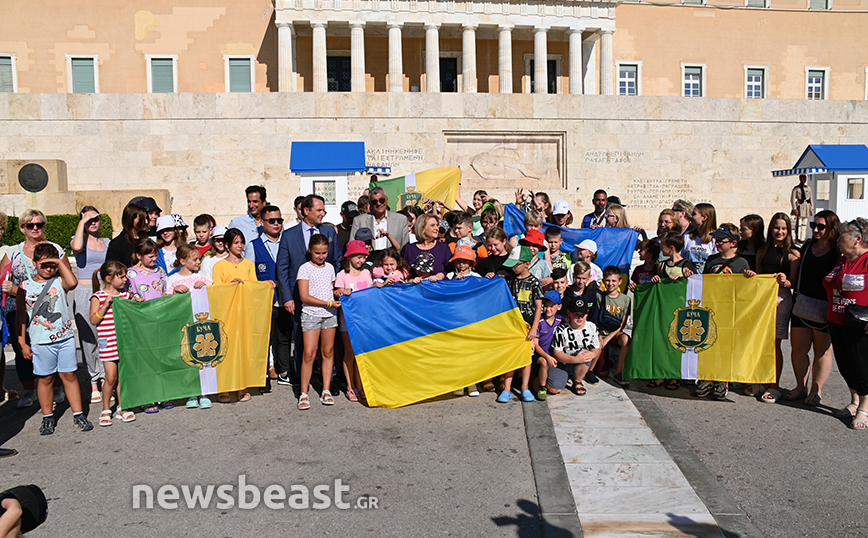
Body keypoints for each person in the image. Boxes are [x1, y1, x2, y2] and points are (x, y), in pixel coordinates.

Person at [16, 243, 93, 435]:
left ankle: (78, 415)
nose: (48, 269)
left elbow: (73, 283)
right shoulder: (25, 287)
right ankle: (47, 417)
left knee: (69, 375)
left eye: (52, 265)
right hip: (40, 341)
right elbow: (20, 316)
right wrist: (22, 342)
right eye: (44, 265)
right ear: (34, 262)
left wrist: (59, 262)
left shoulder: (59, 281)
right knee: (45, 378)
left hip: (64, 338)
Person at [0, 209, 72, 408]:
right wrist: (10, 289)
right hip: (19, 308)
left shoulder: (55, 249)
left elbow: (67, 278)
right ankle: (29, 390)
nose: (35, 228)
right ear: (22, 228)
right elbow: (1, 277)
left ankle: (56, 387)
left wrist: (16, 289)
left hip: (49, 308)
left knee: (53, 346)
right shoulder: (13, 252)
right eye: (30, 225)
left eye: (39, 224)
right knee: (22, 348)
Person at [276, 195, 343, 391]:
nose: (323, 214)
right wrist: (287, 297)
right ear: (306, 211)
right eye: (319, 210)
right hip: (300, 297)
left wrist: (335, 288)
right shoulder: (289, 235)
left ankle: (328, 381)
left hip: (327, 298)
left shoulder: (329, 231)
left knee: (327, 345)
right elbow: (282, 268)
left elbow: (337, 261)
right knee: (302, 342)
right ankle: (301, 382)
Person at [746, 213, 801, 402]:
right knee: (761, 342)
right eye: (777, 227)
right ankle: (761, 379)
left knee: (775, 344)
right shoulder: (762, 251)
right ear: (771, 229)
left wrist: (786, 282)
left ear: (788, 230)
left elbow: (794, 282)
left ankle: (774, 385)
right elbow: (759, 276)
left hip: (781, 300)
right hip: (763, 299)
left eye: (784, 228)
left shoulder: (794, 253)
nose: (780, 231)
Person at [788, 210, 841, 406]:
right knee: (798, 350)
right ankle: (800, 387)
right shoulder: (807, 247)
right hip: (802, 303)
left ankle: (816, 390)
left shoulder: (838, 251)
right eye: (813, 225)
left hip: (825, 306)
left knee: (822, 351)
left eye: (821, 226)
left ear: (832, 228)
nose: (816, 230)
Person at [695, 224, 749, 401]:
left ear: (733, 243)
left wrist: (751, 278)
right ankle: (706, 378)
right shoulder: (711, 260)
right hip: (711, 308)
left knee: (725, 347)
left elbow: (745, 290)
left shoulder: (741, 263)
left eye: (721, 241)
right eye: (715, 240)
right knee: (708, 344)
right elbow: (704, 282)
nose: (717, 243)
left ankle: (722, 380)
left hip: (729, 311)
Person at [824, 218, 868, 429]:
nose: (838, 241)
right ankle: (855, 400)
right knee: (845, 364)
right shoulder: (841, 260)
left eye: (842, 237)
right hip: (836, 319)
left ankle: (865, 408)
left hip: (859, 324)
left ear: (857, 239)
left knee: (860, 365)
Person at [213, 228, 260, 404]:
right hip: (227, 313)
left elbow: (255, 286)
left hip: (245, 312)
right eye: (236, 243)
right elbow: (216, 290)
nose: (240, 246)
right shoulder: (219, 266)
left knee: (243, 349)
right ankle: (224, 387)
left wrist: (265, 285)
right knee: (227, 349)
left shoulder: (248, 264)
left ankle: (242, 386)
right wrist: (230, 286)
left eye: (242, 242)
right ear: (227, 245)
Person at [242, 205, 286, 393]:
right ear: (262, 222)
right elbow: (249, 273)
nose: (276, 224)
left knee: (283, 336)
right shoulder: (253, 245)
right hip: (262, 300)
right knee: (263, 339)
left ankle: (284, 371)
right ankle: (262, 376)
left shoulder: (286, 242)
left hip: (284, 298)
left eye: (279, 220)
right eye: (272, 221)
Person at [296, 234, 340, 410]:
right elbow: (304, 296)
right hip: (311, 314)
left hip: (330, 315)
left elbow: (332, 289)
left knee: (328, 351)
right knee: (309, 353)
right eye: (317, 253)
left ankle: (326, 390)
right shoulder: (304, 268)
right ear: (310, 250)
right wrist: (328, 303)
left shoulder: (330, 268)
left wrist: (340, 292)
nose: (321, 256)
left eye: (324, 253)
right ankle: (304, 392)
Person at [90, 260, 136, 426]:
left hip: (124, 342)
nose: (125, 280)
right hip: (108, 341)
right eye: (121, 277)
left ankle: (122, 407)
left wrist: (137, 302)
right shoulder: (98, 296)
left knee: (123, 377)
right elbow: (94, 320)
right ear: (109, 279)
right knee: (110, 377)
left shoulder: (125, 296)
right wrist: (105, 306)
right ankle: (105, 409)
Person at [70, 206, 109, 404]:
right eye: (89, 219)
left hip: (104, 290)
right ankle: (93, 381)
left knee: (105, 335)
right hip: (85, 290)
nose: (93, 222)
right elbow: (77, 248)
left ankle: (105, 379)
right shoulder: (79, 240)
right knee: (88, 336)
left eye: (96, 218)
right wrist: (82, 222)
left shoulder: (107, 242)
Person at [498, 246, 542, 403]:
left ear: (527, 264)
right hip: (512, 326)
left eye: (516, 264)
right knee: (511, 356)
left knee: (525, 358)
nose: (513, 268)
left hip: (527, 327)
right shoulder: (510, 281)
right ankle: (507, 389)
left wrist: (535, 328)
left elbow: (538, 307)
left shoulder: (535, 283)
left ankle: (525, 388)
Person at [334, 240, 373, 402]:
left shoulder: (366, 273)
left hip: (364, 320)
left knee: (360, 354)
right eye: (358, 256)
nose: (361, 260)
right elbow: (336, 292)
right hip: (347, 320)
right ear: (349, 257)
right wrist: (342, 291)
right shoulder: (342, 275)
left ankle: (360, 384)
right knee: (349, 353)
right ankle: (350, 386)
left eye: (363, 257)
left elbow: (371, 292)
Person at [550, 296, 607, 396]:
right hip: (564, 362)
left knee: (584, 354)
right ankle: (568, 376)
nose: (580, 318)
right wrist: (576, 359)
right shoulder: (561, 330)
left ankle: (578, 381)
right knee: (554, 388)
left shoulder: (591, 327)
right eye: (576, 314)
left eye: (582, 314)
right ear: (569, 313)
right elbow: (557, 353)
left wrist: (591, 355)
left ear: (587, 313)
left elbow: (596, 348)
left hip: (582, 361)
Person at [350, 187, 410, 257]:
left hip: (392, 261)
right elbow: (352, 247)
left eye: (382, 200)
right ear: (370, 203)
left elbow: (405, 248)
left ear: (387, 200)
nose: (378, 204)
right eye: (374, 202)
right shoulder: (359, 221)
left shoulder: (401, 220)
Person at [600, 267, 632, 386]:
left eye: (614, 281)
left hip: (614, 333)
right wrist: (601, 337)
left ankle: (619, 372)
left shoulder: (625, 299)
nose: (610, 284)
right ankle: (607, 361)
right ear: (603, 281)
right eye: (608, 280)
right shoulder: (600, 296)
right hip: (600, 334)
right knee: (603, 373)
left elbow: (622, 323)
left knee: (626, 339)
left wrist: (609, 337)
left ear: (620, 282)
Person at [532, 291, 564, 400]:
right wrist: (547, 357)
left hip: (554, 356)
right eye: (546, 306)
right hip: (539, 355)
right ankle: (542, 387)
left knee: (555, 389)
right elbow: (536, 345)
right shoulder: (539, 321)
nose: (548, 309)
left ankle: (547, 380)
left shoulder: (561, 320)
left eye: (551, 306)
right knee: (544, 362)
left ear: (559, 307)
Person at [402, 214, 451, 282]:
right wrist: (412, 280)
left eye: (437, 225)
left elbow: (451, 271)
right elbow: (404, 272)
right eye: (432, 225)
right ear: (422, 229)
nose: (437, 228)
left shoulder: (443, 248)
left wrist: (441, 275)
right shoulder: (409, 249)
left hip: (439, 287)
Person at [105, 202, 149, 267]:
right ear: (131, 219)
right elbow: (111, 268)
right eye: (142, 219)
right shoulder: (117, 244)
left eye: (146, 218)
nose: (146, 222)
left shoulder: (146, 239)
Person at [682, 202, 718, 274]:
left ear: (704, 218)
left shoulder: (715, 239)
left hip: (707, 278)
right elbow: (681, 257)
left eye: (694, 214)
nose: (691, 216)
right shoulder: (687, 236)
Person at [791, 174, 814, 244]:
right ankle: (797, 238)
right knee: (799, 223)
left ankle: (802, 238)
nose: (804, 180)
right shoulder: (796, 188)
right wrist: (794, 209)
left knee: (804, 223)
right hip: (799, 206)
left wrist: (812, 207)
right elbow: (792, 199)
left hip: (806, 206)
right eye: (802, 178)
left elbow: (811, 198)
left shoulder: (808, 188)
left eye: (805, 178)